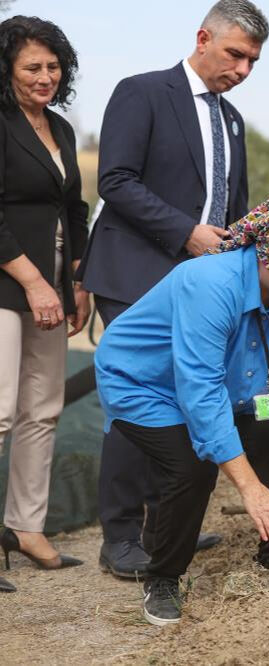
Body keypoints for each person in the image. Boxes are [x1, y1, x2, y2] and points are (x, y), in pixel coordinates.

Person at [95, 186, 269, 626]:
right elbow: (201, 392)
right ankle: (163, 576)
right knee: (193, 463)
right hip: (144, 384)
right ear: (268, 258)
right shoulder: (210, 284)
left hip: (230, 385)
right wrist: (250, 488)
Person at [77, 0, 268, 579]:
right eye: (235, 54)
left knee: (191, 396)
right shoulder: (142, 92)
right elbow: (115, 180)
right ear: (203, 38)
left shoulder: (233, 119)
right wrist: (187, 233)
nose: (243, 69)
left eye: (253, 61)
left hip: (202, 284)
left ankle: (167, 526)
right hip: (135, 272)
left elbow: (233, 206)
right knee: (135, 399)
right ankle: (119, 538)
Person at [0, 15, 88, 591]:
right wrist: (34, 282)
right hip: (8, 283)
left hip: (53, 285)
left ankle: (26, 528)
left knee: (43, 408)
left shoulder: (60, 127)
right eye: (33, 66)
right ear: (7, 69)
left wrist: (77, 279)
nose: (45, 76)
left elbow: (75, 208)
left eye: (54, 66)